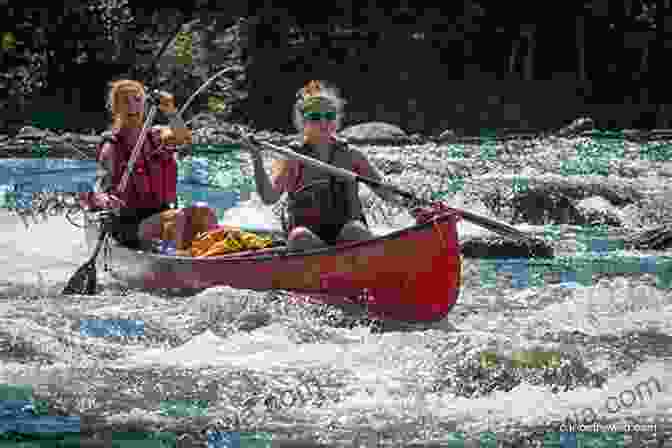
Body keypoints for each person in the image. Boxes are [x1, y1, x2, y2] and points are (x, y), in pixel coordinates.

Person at [242, 80, 400, 251]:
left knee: (355, 230)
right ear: (304, 123)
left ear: (337, 119)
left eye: (329, 116)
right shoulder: (293, 158)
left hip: (347, 235)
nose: (324, 122)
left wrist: (415, 207)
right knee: (299, 237)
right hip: (309, 239)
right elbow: (268, 198)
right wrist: (256, 157)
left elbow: (387, 194)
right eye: (315, 117)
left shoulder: (353, 156)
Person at [80, 79, 217, 255]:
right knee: (176, 218)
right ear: (115, 108)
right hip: (129, 223)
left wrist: (170, 110)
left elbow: (183, 139)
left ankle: (214, 253)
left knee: (204, 210)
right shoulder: (112, 146)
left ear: (144, 105)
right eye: (125, 101)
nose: (131, 106)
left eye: (136, 100)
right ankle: (175, 262)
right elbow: (99, 185)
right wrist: (104, 200)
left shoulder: (157, 135)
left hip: (162, 214)